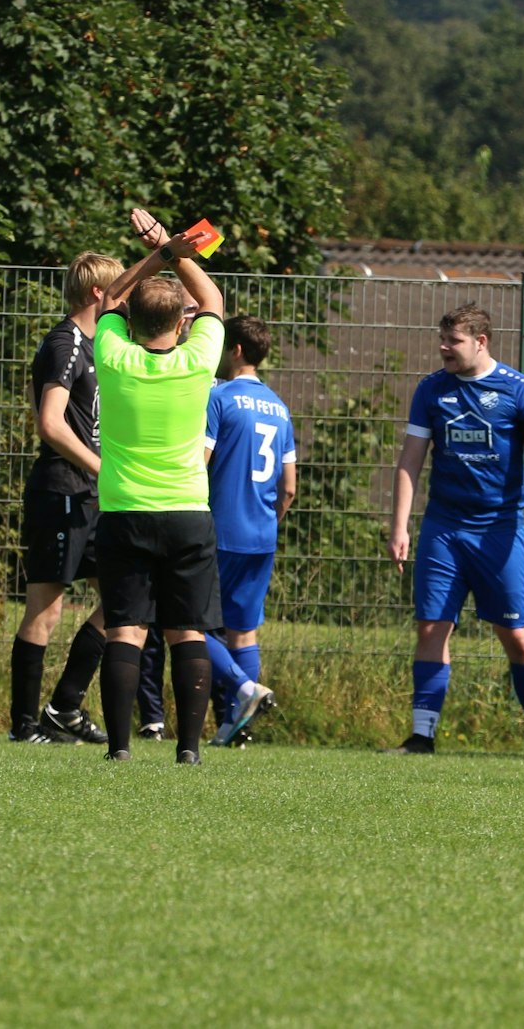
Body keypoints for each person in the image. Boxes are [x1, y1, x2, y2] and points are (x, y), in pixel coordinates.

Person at [386, 304, 524, 758]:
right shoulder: (431, 390)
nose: (444, 348)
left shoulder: (520, 392)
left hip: (499, 531)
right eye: (442, 340)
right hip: (443, 530)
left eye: (454, 341)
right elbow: (410, 460)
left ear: (481, 342)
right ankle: (422, 737)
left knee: (517, 636)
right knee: (431, 627)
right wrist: (401, 525)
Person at [93, 210, 225, 764]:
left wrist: (157, 255)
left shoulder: (114, 356)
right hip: (188, 514)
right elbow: (214, 301)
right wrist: (179, 253)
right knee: (186, 633)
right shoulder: (198, 361)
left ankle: (120, 749)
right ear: (182, 324)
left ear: (132, 322)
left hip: (124, 511)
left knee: (125, 632)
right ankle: (189, 750)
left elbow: (106, 301)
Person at [8, 252, 115, 745]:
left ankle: (65, 707)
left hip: (92, 495)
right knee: (46, 610)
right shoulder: (65, 342)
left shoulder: (98, 346)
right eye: (121, 290)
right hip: (63, 491)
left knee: (124, 602)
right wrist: (99, 466)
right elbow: (48, 423)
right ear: (99, 293)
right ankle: (25, 726)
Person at [203, 314, 295, 746]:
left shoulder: (219, 398)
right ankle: (235, 729)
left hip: (221, 529)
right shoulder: (280, 408)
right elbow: (289, 486)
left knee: (185, 621)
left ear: (235, 349)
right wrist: (270, 519)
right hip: (262, 534)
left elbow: (200, 462)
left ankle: (243, 689)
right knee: (244, 630)